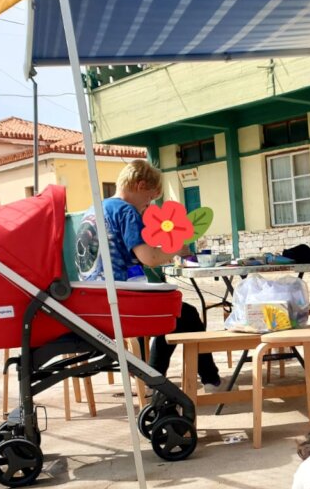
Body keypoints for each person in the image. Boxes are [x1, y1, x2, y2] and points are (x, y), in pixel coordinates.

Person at [81, 159, 223, 392]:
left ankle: (155, 376)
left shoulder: (96, 209)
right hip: (121, 303)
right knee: (183, 314)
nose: (147, 206)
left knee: (175, 314)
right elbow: (150, 258)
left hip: (95, 302)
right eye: (149, 199)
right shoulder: (127, 211)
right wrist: (176, 249)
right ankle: (204, 379)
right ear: (140, 185)